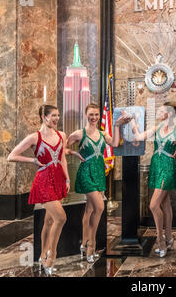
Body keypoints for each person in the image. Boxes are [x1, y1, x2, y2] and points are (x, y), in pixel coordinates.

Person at [7, 105, 70, 276]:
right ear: (44, 116)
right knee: (61, 217)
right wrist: (33, 160)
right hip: (43, 182)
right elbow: (11, 156)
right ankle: (52, 254)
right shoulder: (35, 137)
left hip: (58, 181)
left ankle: (42, 255)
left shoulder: (61, 135)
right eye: (53, 116)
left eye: (58, 115)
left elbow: (63, 158)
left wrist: (67, 177)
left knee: (49, 222)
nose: (57, 118)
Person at [66, 103, 131, 263]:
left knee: (89, 210)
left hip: (99, 172)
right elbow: (63, 149)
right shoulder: (78, 134)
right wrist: (74, 152)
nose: (94, 117)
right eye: (91, 114)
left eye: (96, 115)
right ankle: (91, 245)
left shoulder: (103, 134)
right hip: (86, 173)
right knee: (100, 207)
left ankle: (84, 242)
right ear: (86, 115)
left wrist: (117, 125)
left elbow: (115, 144)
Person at [130, 102, 176, 258]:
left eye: (161, 111)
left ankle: (160, 241)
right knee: (165, 203)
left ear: (169, 113)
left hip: (167, 167)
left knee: (153, 205)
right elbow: (139, 136)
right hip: (155, 166)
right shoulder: (157, 128)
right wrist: (133, 120)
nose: (158, 113)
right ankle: (170, 239)